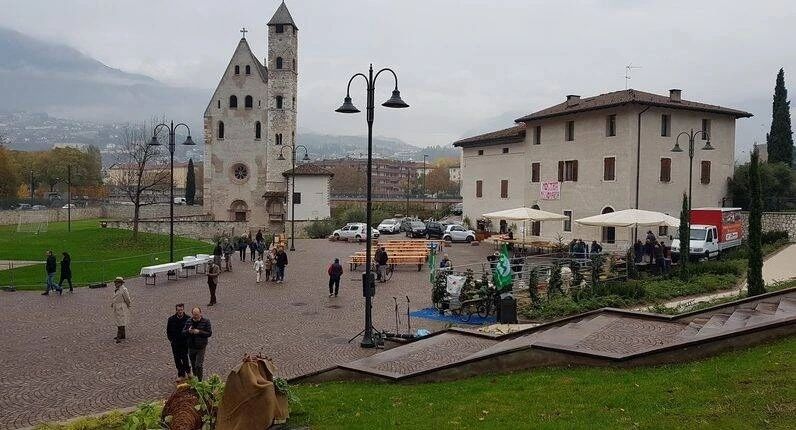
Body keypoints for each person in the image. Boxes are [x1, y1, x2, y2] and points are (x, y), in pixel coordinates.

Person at [183, 307, 212, 381]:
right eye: (194, 314)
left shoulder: (206, 321)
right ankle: (195, 379)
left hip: (201, 347)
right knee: (193, 365)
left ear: (200, 313)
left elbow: (209, 333)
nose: (195, 316)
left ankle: (200, 380)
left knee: (198, 365)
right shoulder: (189, 321)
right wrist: (188, 331)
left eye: (197, 314)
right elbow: (183, 332)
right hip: (191, 347)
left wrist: (199, 332)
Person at [166, 303, 191, 381]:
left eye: (181, 310)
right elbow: (168, 331)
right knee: (177, 359)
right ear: (176, 310)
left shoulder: (188, 319)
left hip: (184, 343)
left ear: (183, 309)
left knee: (185, 358)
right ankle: (181, 374)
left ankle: (188, 371)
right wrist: (171, 340)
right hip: (175, 343)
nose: (180, 311)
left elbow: (190, 331)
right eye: (178, 310)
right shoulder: (171, 319)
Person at [111, 277, 131, 343]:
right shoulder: (117, 289)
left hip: (121, 307)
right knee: (120, 321)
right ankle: (123, 335)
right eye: (115, 283)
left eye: (116, 283)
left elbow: (127, 298)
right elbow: (115, 298)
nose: (115, 284)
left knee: (120, 322)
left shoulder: (124, 290)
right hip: (117, 307)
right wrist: (112, 303)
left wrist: (128, 305)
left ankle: (119, 337)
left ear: (120, 283)